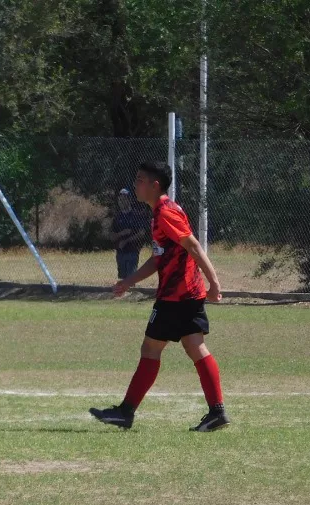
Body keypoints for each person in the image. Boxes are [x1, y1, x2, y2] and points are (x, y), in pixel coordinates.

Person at [90, 161, 230, 432]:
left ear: (155, 185)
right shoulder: (162, 212)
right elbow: (159, 258)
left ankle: (125, 412)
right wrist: (129, 281)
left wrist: (214, 283)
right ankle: (217, 412)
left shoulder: (166, 213)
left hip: (175, 296)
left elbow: (194, 246)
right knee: (194, 347)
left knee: (151, 349)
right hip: (186, 293)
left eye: (141, 179)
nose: (136, 184)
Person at [111, 188, 146, 280]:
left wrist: (126, 240)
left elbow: (141, 233)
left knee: (131, 279)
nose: (121, 201)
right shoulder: (117, 217)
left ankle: (132, 293)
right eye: (120, 199)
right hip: (120, 252)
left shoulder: (136, 216)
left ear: (129, 200)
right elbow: (112, 237)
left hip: (133, 251)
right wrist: (122, 233)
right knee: (122, 279)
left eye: (124, 199)